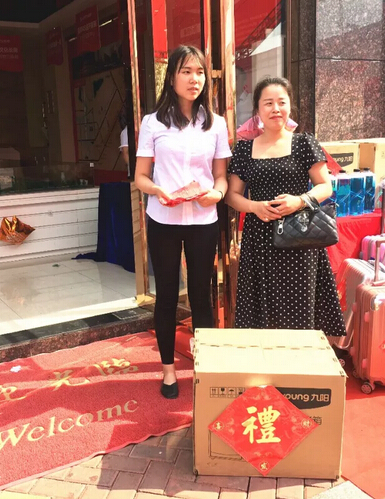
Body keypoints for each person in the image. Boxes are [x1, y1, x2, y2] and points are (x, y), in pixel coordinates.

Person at [134, 45, 231, 399]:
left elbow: (220, 178)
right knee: (166, 296)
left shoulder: (216, 123)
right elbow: (140, 177)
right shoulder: (152, 122)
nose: (194, 79)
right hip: (164, 219)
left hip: (203, 219)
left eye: (200, 72)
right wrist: (157, 190)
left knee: (202, 296)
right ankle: (169, 372)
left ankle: (203, 369)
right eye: (186, 71)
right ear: (171, 77)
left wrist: (216, 195)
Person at [225, 77, 345, 336]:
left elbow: (325, 186)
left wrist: (300, 201)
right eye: (268, 103)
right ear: (257, 109)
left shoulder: (304, 143)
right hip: (259, 239)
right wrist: (254, 206)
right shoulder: (244, 149)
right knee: (260, 310)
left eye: (281, 102)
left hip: (299, 236)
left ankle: (299, 360)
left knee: (299, 309)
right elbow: (231, 196)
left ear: (290, 106)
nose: (275, 109)